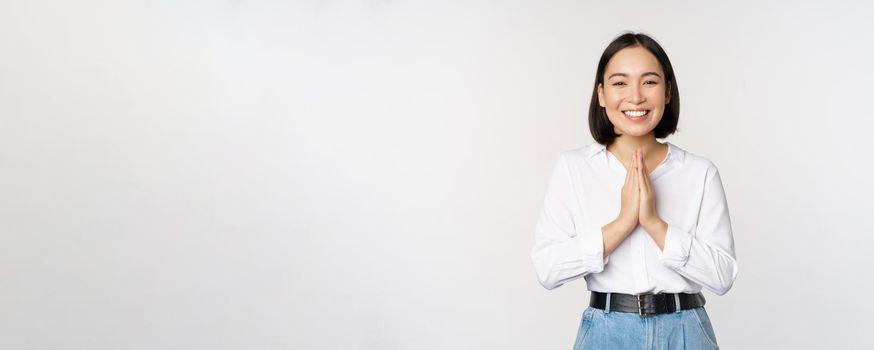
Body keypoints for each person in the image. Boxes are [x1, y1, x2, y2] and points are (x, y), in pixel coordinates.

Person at [530, 32, 737, 350]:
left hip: (685, 331)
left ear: (667, 92)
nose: (636, 97)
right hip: (607, 330)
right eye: (620, 83)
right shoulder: (574, 168)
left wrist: (654, 223)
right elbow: (548, 269)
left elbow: (723, 276)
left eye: (650, 82)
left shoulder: (699, 173)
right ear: (601, 94)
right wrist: (622, 224)